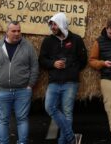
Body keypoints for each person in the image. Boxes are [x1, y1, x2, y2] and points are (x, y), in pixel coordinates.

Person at [0, 21, 39, 144]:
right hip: (3, 91)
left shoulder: (27, 46)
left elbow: (35, 66)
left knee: (22, 119)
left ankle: (22, 142)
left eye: (19, 31)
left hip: (22, 91)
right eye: (13, 31)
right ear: (7, 32)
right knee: (3, 120)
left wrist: (30, 85)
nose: (17, 33)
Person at [39, 13, 87, 144]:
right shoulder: (48, 41)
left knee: (67, 112)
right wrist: (52, 64)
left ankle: (62, 141)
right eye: (51, 24)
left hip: (70, 82)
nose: (52, 27)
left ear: (61, 24)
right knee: (49, 107)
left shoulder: (76, 40)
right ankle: (72, 138)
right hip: (54, 81)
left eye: (55, 24)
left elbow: (83, 60)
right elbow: (41, 60)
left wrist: (72, 70)